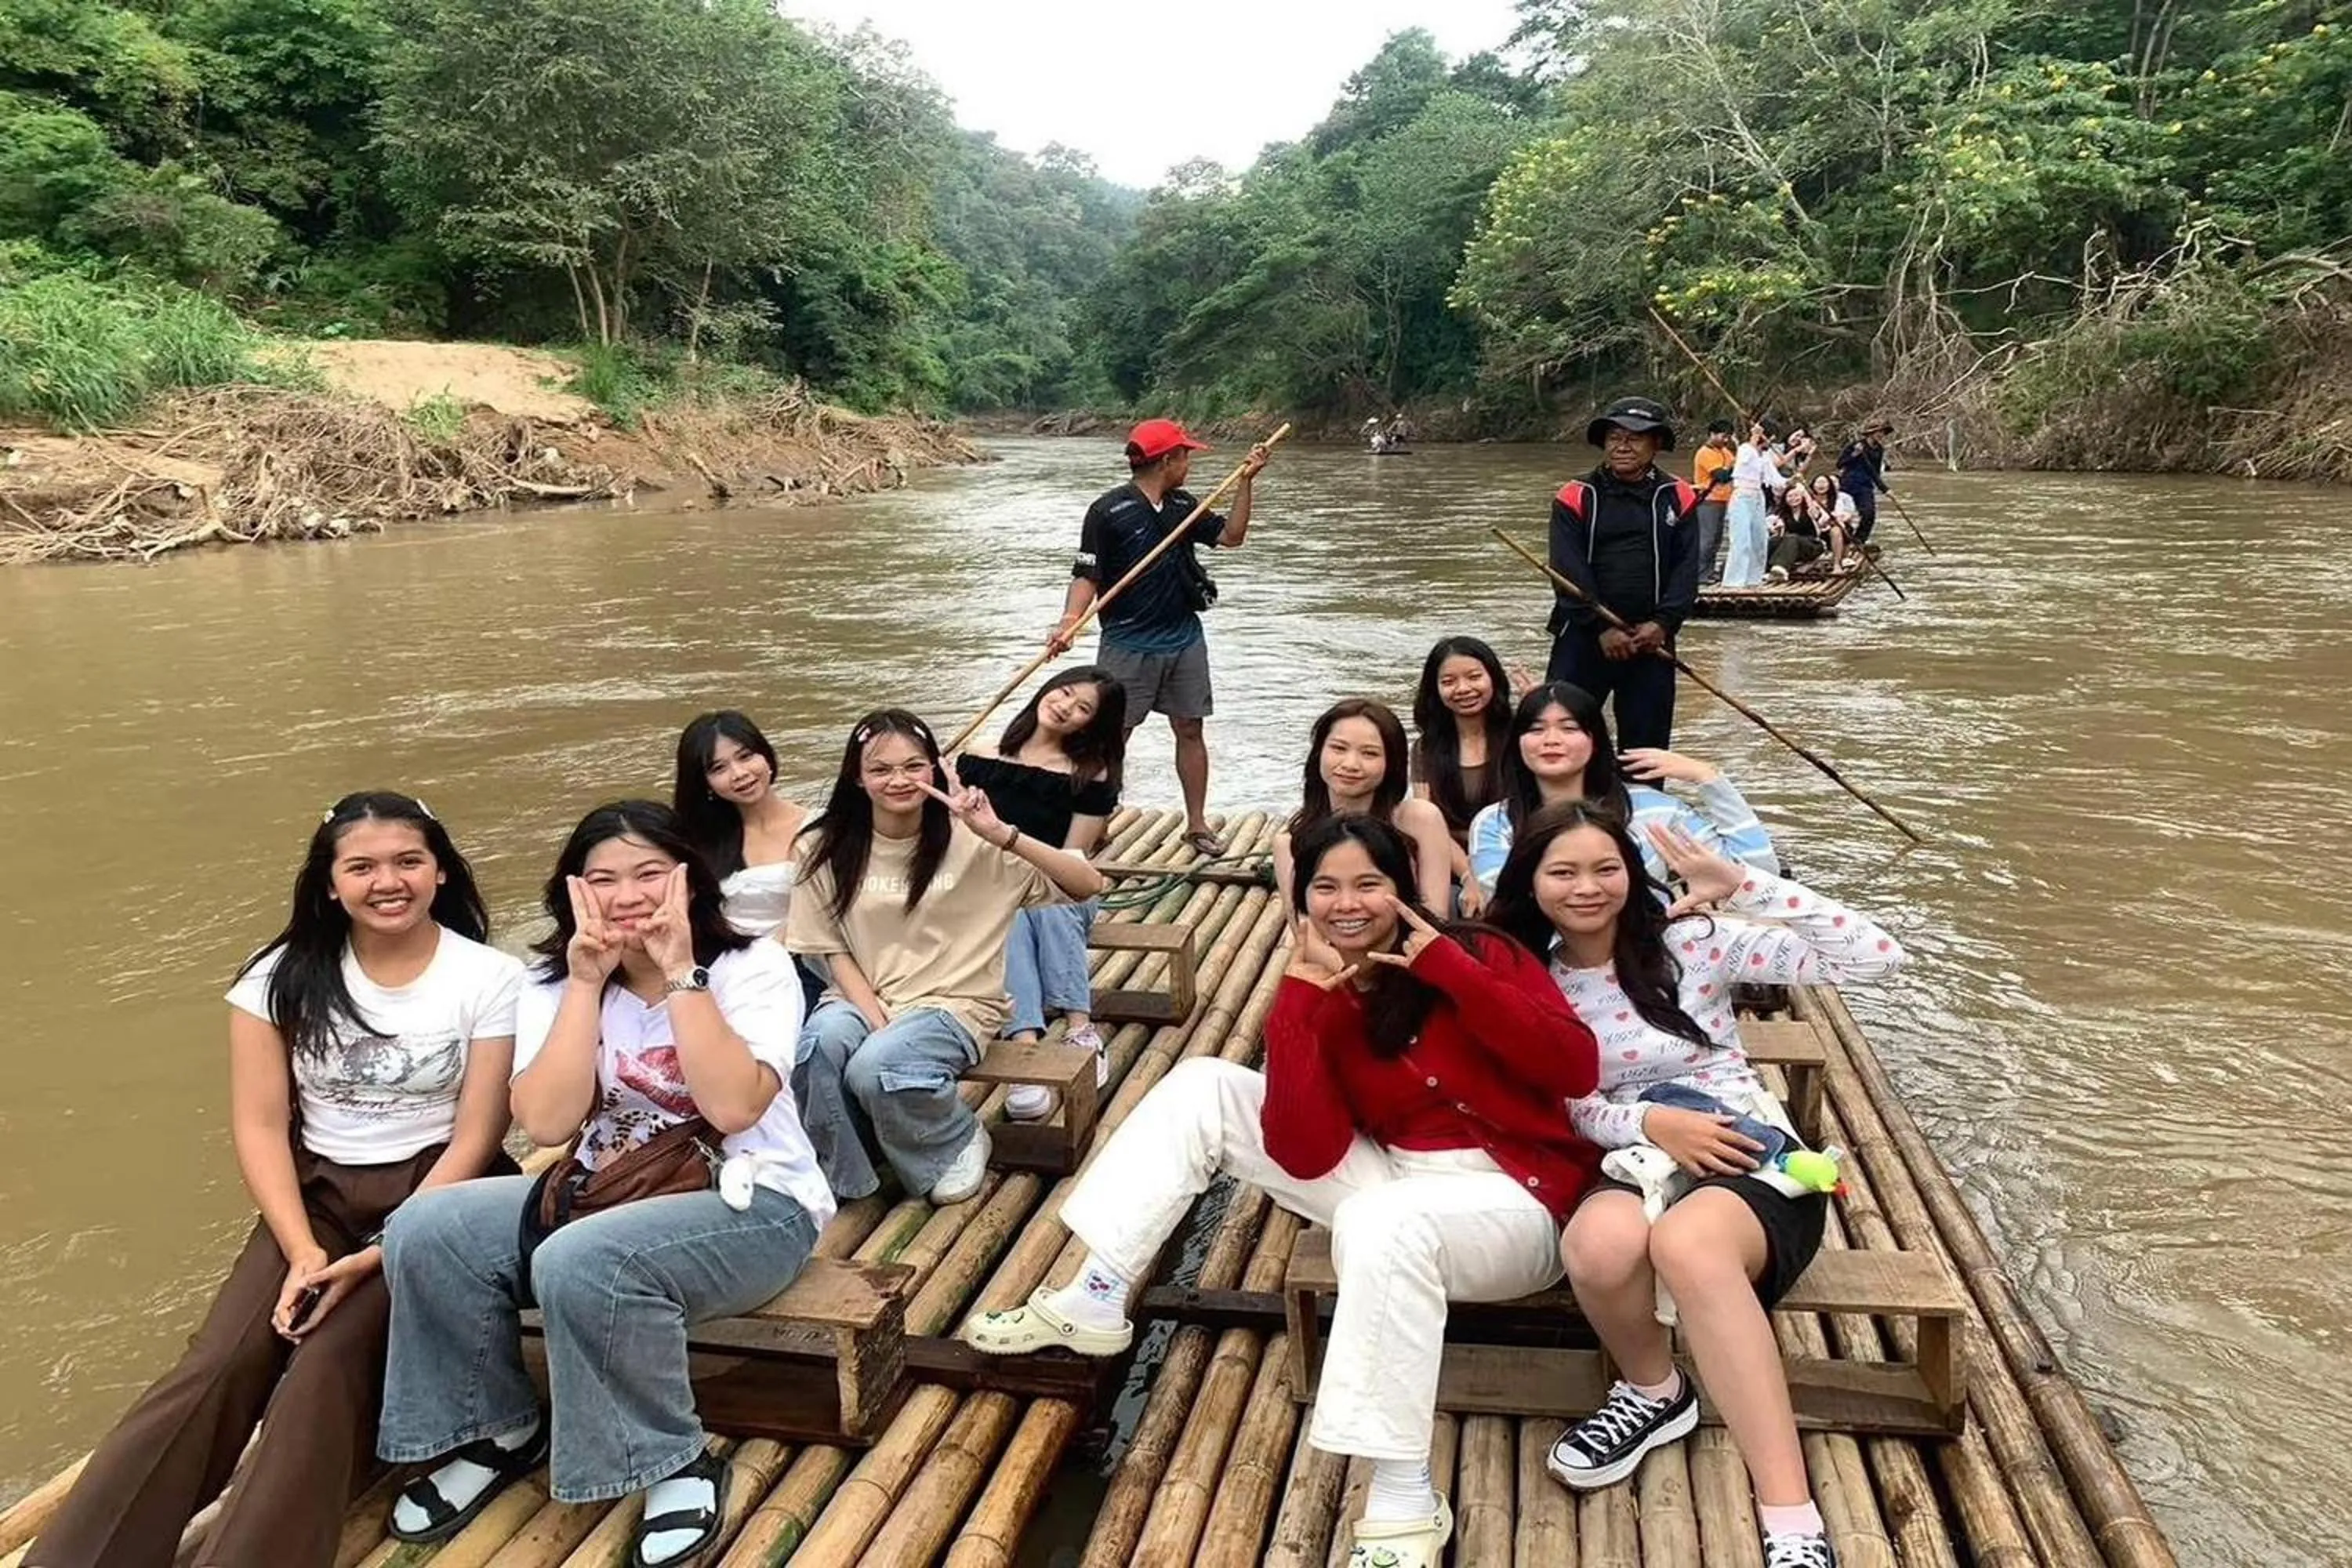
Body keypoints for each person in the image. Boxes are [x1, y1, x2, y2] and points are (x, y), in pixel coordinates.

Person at [960, 814, 1599, 1568]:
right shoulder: (1325, 990)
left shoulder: (1481, 951)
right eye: (1325, 887)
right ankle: (1098, 1295)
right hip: (1391, 1179)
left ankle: (1401, 1498)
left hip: (1517, 1207)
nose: (1347, 903)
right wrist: (1298, 1008)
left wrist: (1446, 968)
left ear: (1403, 889)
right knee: (1206, 1086)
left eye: (1369, 883)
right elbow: (1304, 1153)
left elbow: (1573, 1067)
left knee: (1379, 1221)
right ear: (1303, 902)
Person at [29, 794, 522, 1568]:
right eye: (361, 865)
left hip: (442, 1198)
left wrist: (382, 1248)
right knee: (219, 1363)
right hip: (317, 1194)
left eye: (408, 861)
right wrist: (299, 1249)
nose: (386, 880)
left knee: (321, 1373)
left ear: (440, 872)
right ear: (329, 883)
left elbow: (479, 1134)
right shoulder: (278, 976)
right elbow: (261, 1125)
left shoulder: (488, 975)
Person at [372, 800, 824, 1568]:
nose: (628, 895)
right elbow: (547, 1123)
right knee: (426, 1227)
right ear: (576, 892)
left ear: (689, 878)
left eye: (650, 873)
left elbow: (734, 1104)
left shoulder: (753, 966)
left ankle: (671, 1458)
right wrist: (586, 983)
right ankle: (498, 1426)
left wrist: (682, 973)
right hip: (603, 1190)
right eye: (604, 879)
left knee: (580, 1259)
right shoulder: (552, 980)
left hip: (754, 1202)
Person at [1483, 800, 1906, 1568]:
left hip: (1749, 1156)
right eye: (1564, 870)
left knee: (1688, 1244)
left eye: (1606, 867)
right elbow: (1556, 1102)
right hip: (1634, 1158)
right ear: (1531, 882)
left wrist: (1745, 882)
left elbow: (1875, 957)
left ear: (1632, 871)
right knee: (1600, 1244)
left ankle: (1791, 1517)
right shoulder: (1529, 978)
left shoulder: (1692, 943)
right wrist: (1649, 1124)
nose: (1588, 887)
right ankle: (1653, 1389)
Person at [789, 710, 1106, 1205]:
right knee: (819, 1047)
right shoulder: (821, 845)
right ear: (857, 776)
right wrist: (875, 1016)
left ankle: (955, 1138)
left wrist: (1002, 833)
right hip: (861, 994)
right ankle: (853, 1174)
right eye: (881, 770)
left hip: (957, 1002)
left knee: (877, 1066)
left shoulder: (975, 841)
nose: (899, 780)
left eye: (914, 767)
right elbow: (829, 947)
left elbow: (1087, 885)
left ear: (935, 770)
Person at [1048, 420, 1270, 859]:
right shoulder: (1107, 511)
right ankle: (1094, 822)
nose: (1189, 463)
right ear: (1167, 461)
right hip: (1127, 643)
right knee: (1113, 737)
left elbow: (1232, 537)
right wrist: (1070, 619)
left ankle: (1197, 824)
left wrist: (1246, 483)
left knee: (1190, 728)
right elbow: (1087, 573)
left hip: (1183, 638)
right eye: (1185, 456)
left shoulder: (1185, 506)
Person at [953, 667, 1128, 1120]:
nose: (1066, 706)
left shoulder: (1089, 774)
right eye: (1065, 692)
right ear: (1047, 690)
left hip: (1060, 889)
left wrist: (1013, 844)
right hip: (990, 892)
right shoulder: (981, 753)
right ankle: (1025, 1052)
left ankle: (1079, 1025)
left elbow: (1075, 860)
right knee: (1006, 909)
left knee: (1044, 904)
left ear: (1093, 725)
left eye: (1083, 708)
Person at [1465, 681, 1777, 903]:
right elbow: (1509, 901)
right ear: (1518, 744)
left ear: (1595, 741)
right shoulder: (1496, 823)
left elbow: (1757, 874)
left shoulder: (1654, 812)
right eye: (1535, 729)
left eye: (1569, 728)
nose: (1551, 740)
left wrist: (1708, 778)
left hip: (1646, 958)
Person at [1544, 395, 1703, 753]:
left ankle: (1644, 806)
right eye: (1615, 437)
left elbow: (1686, 569)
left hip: (1651, 641)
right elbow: (1566, 569)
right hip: (1584, 637)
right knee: (1563, 736)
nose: (1622, 446)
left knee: (1646, 748)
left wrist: (1663, 624)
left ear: (1657, 443)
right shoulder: (1576, 495)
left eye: (1635, 438)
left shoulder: (1678, 496)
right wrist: (1600, 626)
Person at [1274, 698, 1454, 913]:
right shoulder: (1291, 842)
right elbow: (1303, 927)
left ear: (1391, 763)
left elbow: (1436, 915)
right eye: (1339, 748)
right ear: (1318, 754)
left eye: (1369, 753)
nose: (1350, 765)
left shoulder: (1418, 821)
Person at [672, 710, 809, 942]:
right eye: (718, 768)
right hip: (723, 961)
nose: (739, 774)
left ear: (766, 757)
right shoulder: (697, 841)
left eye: (745, 756)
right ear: (704, 783)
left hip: (804, 963)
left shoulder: (819, 828)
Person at [1407, 636, 1519, 911]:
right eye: (1448, 682)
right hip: (1449, 864)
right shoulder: (1426, 749)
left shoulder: (1521, 736)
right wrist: (1470, 876)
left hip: (1514, 855)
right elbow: (1429, 825)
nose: (1463, 689)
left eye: (1474, 677)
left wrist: (1538, 710)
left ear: (1493, 678)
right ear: (1435, 690)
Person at [1722, 419, 1812, 588]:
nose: (1771, 443)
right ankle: (1734, 582)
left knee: (1759, 540)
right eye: (1770, 439)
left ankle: (1753, 580)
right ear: (1765, 437)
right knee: (1742, 541)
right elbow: (1742, 464)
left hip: (1758, 497)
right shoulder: (1745, 449)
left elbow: (1775, 480)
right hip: (1742, 496)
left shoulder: (1764, 456)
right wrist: (1754, 439)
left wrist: (1791, 480)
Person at [1691, 418, 1738, 584]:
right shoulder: (1705, 453)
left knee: (1717, 540)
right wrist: (1737, 465)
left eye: (1728, 437)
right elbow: (1722, 476)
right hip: (1709, 501)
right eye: (1723, 436)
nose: (1725, 440)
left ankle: (1709, 571)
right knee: (1707, 539)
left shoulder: (1725, 452)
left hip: (1723, 500)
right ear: (1712, 434)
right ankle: (1700, 574)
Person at [1835, 422, 1894, 546]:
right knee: (1843, 514)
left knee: (1869, 513)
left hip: (1865, 486)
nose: (1881, 435)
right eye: (1879, 432)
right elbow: (1840, 464)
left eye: (1883, 433)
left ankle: (1859, 541)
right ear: (1870, 433)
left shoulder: (1879, 449)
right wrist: (1855, 454)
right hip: (1848, 484)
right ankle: (1842, 540)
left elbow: (1875, 472)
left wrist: (1885, 489)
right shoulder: (1855, 446)